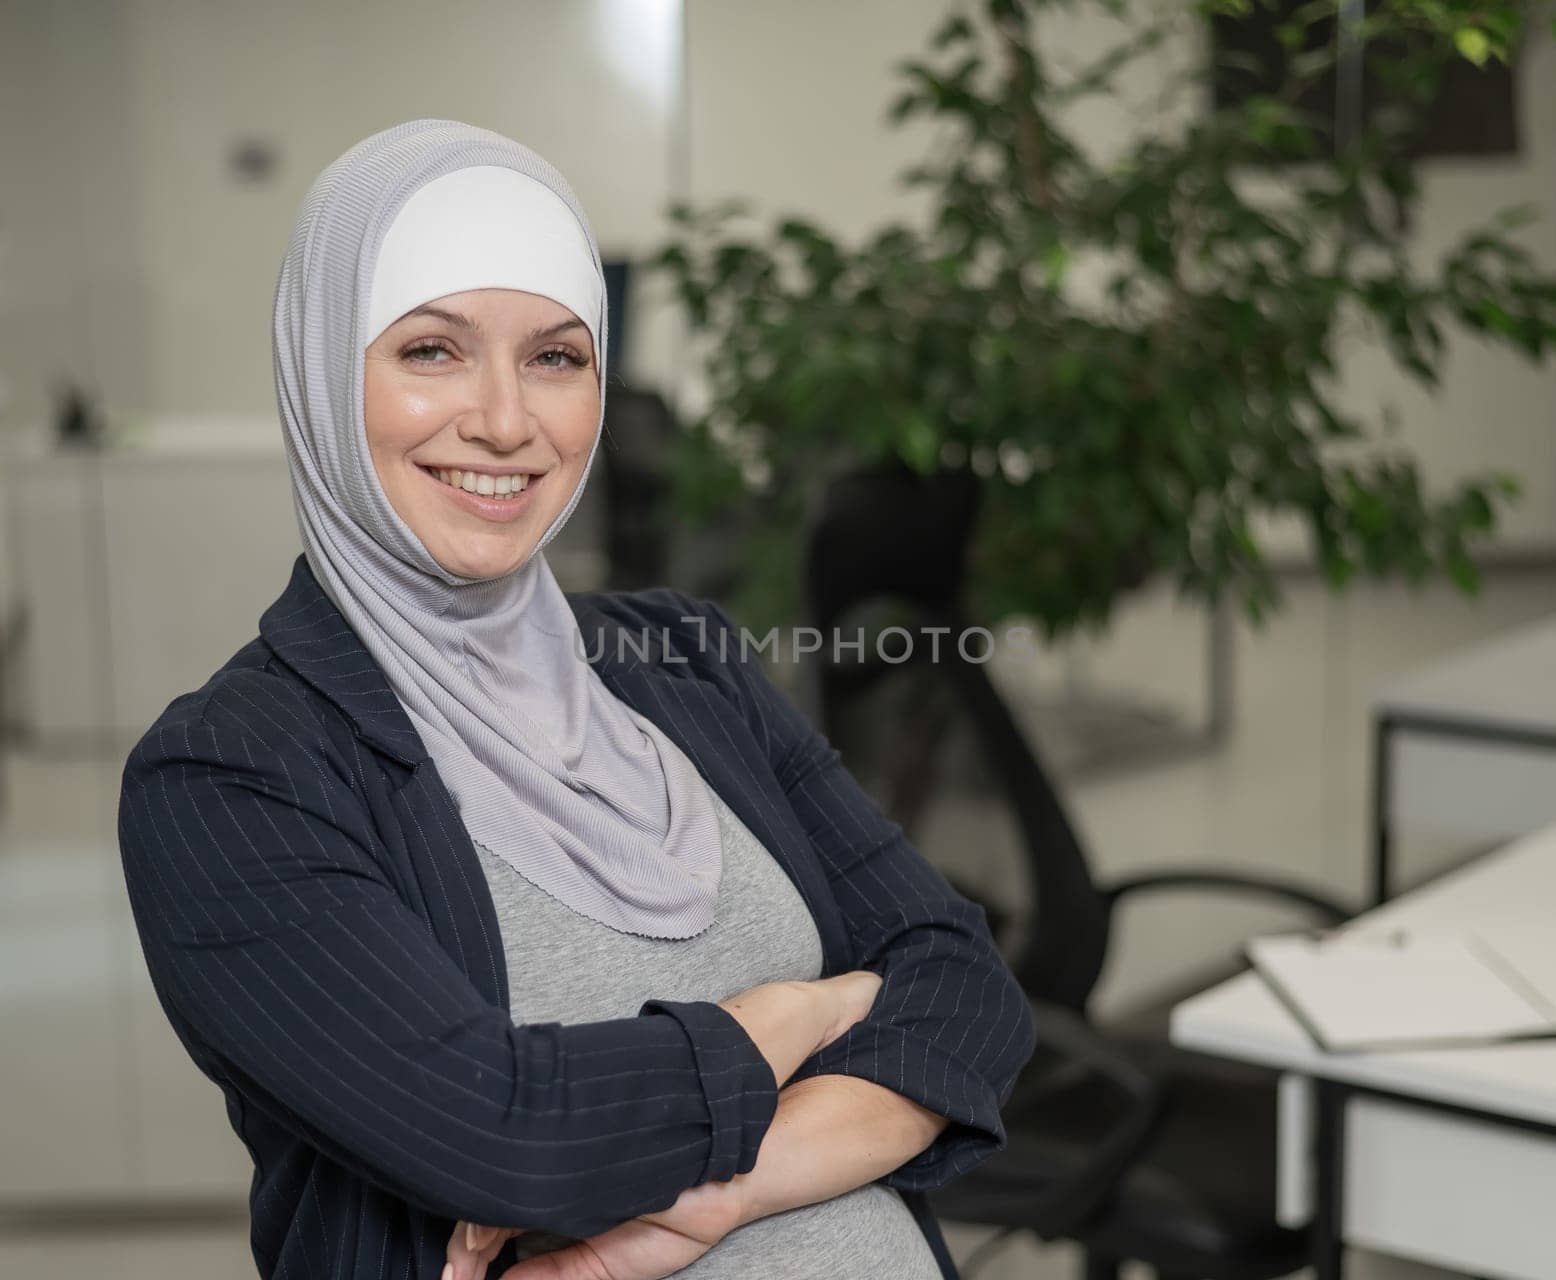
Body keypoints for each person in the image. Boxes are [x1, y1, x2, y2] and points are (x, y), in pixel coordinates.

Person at [117, 119, 1033, 1280]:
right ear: (319, 368)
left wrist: (708, 1198)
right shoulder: (230, 772)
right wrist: (806, 1013)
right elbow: (502, 1136)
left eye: (555, 356)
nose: (506, 421)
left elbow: (965, 983)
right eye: (432, 350)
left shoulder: (679, 658)